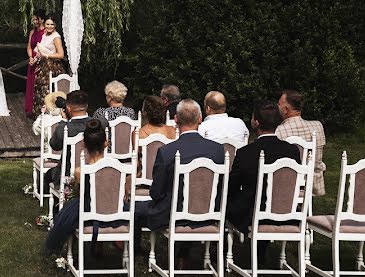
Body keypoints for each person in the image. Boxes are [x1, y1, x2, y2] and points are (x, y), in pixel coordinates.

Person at [134, 99, 225, 254]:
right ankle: (184, 253)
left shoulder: (167, 152)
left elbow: (156, 192)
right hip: (210, 214)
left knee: (135, 209)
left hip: (172, 214)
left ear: (176, 119)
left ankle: (135, 250)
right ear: (200, 119)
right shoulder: (217, 150)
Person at [227, 103, 300, 235]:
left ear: (256, 122)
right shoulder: (292, 150)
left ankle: (222, 247)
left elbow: (233, 185)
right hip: (288, 212)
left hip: (251, 214)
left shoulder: (246, 152)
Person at [43, 119, 109, 255]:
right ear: (106, 143)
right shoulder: (119, 168)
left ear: (84, 144)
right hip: (112, 208)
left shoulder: (80, 171)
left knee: (66, 214)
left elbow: (80, 193)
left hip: (88, 209)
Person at [275, 89, 327, 196]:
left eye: (279, 104)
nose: (276, 106)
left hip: (288, 184)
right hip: (312, 183)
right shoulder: (318, 126)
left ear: (285, 109)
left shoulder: (279, 131)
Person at [45, 90, 93, 187]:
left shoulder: (64, 128)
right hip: (92, 171)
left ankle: (53, 200)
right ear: (86, 107)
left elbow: (55, 145)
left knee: (48, 175)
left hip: (67, 174)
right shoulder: (95, 125)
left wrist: (63, 121)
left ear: (68, 108)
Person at [32, 15, 67, 114]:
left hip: (52, 66)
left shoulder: (56, 37)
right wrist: (36, 59)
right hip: (43, 66)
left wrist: (47, 56)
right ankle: (40, 115)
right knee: (40, 90)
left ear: (55, 25)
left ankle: (50, 114)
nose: (49, 26)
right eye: (47, 24)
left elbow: (61, 54)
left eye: (52, 24)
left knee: (48, 91)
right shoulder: (44, 35)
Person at [25, 9, 46, 118]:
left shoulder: (46, 32)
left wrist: (37, 58)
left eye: (36, 19)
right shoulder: (32, 32)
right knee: (31, 84)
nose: (35, 22)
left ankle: (39, 110)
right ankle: (31, 109)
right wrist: (30, 57)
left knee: (38, 85)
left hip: (41, 61)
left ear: (42, 19)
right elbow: (29, 46)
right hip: (32, 60)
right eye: (34, 20)